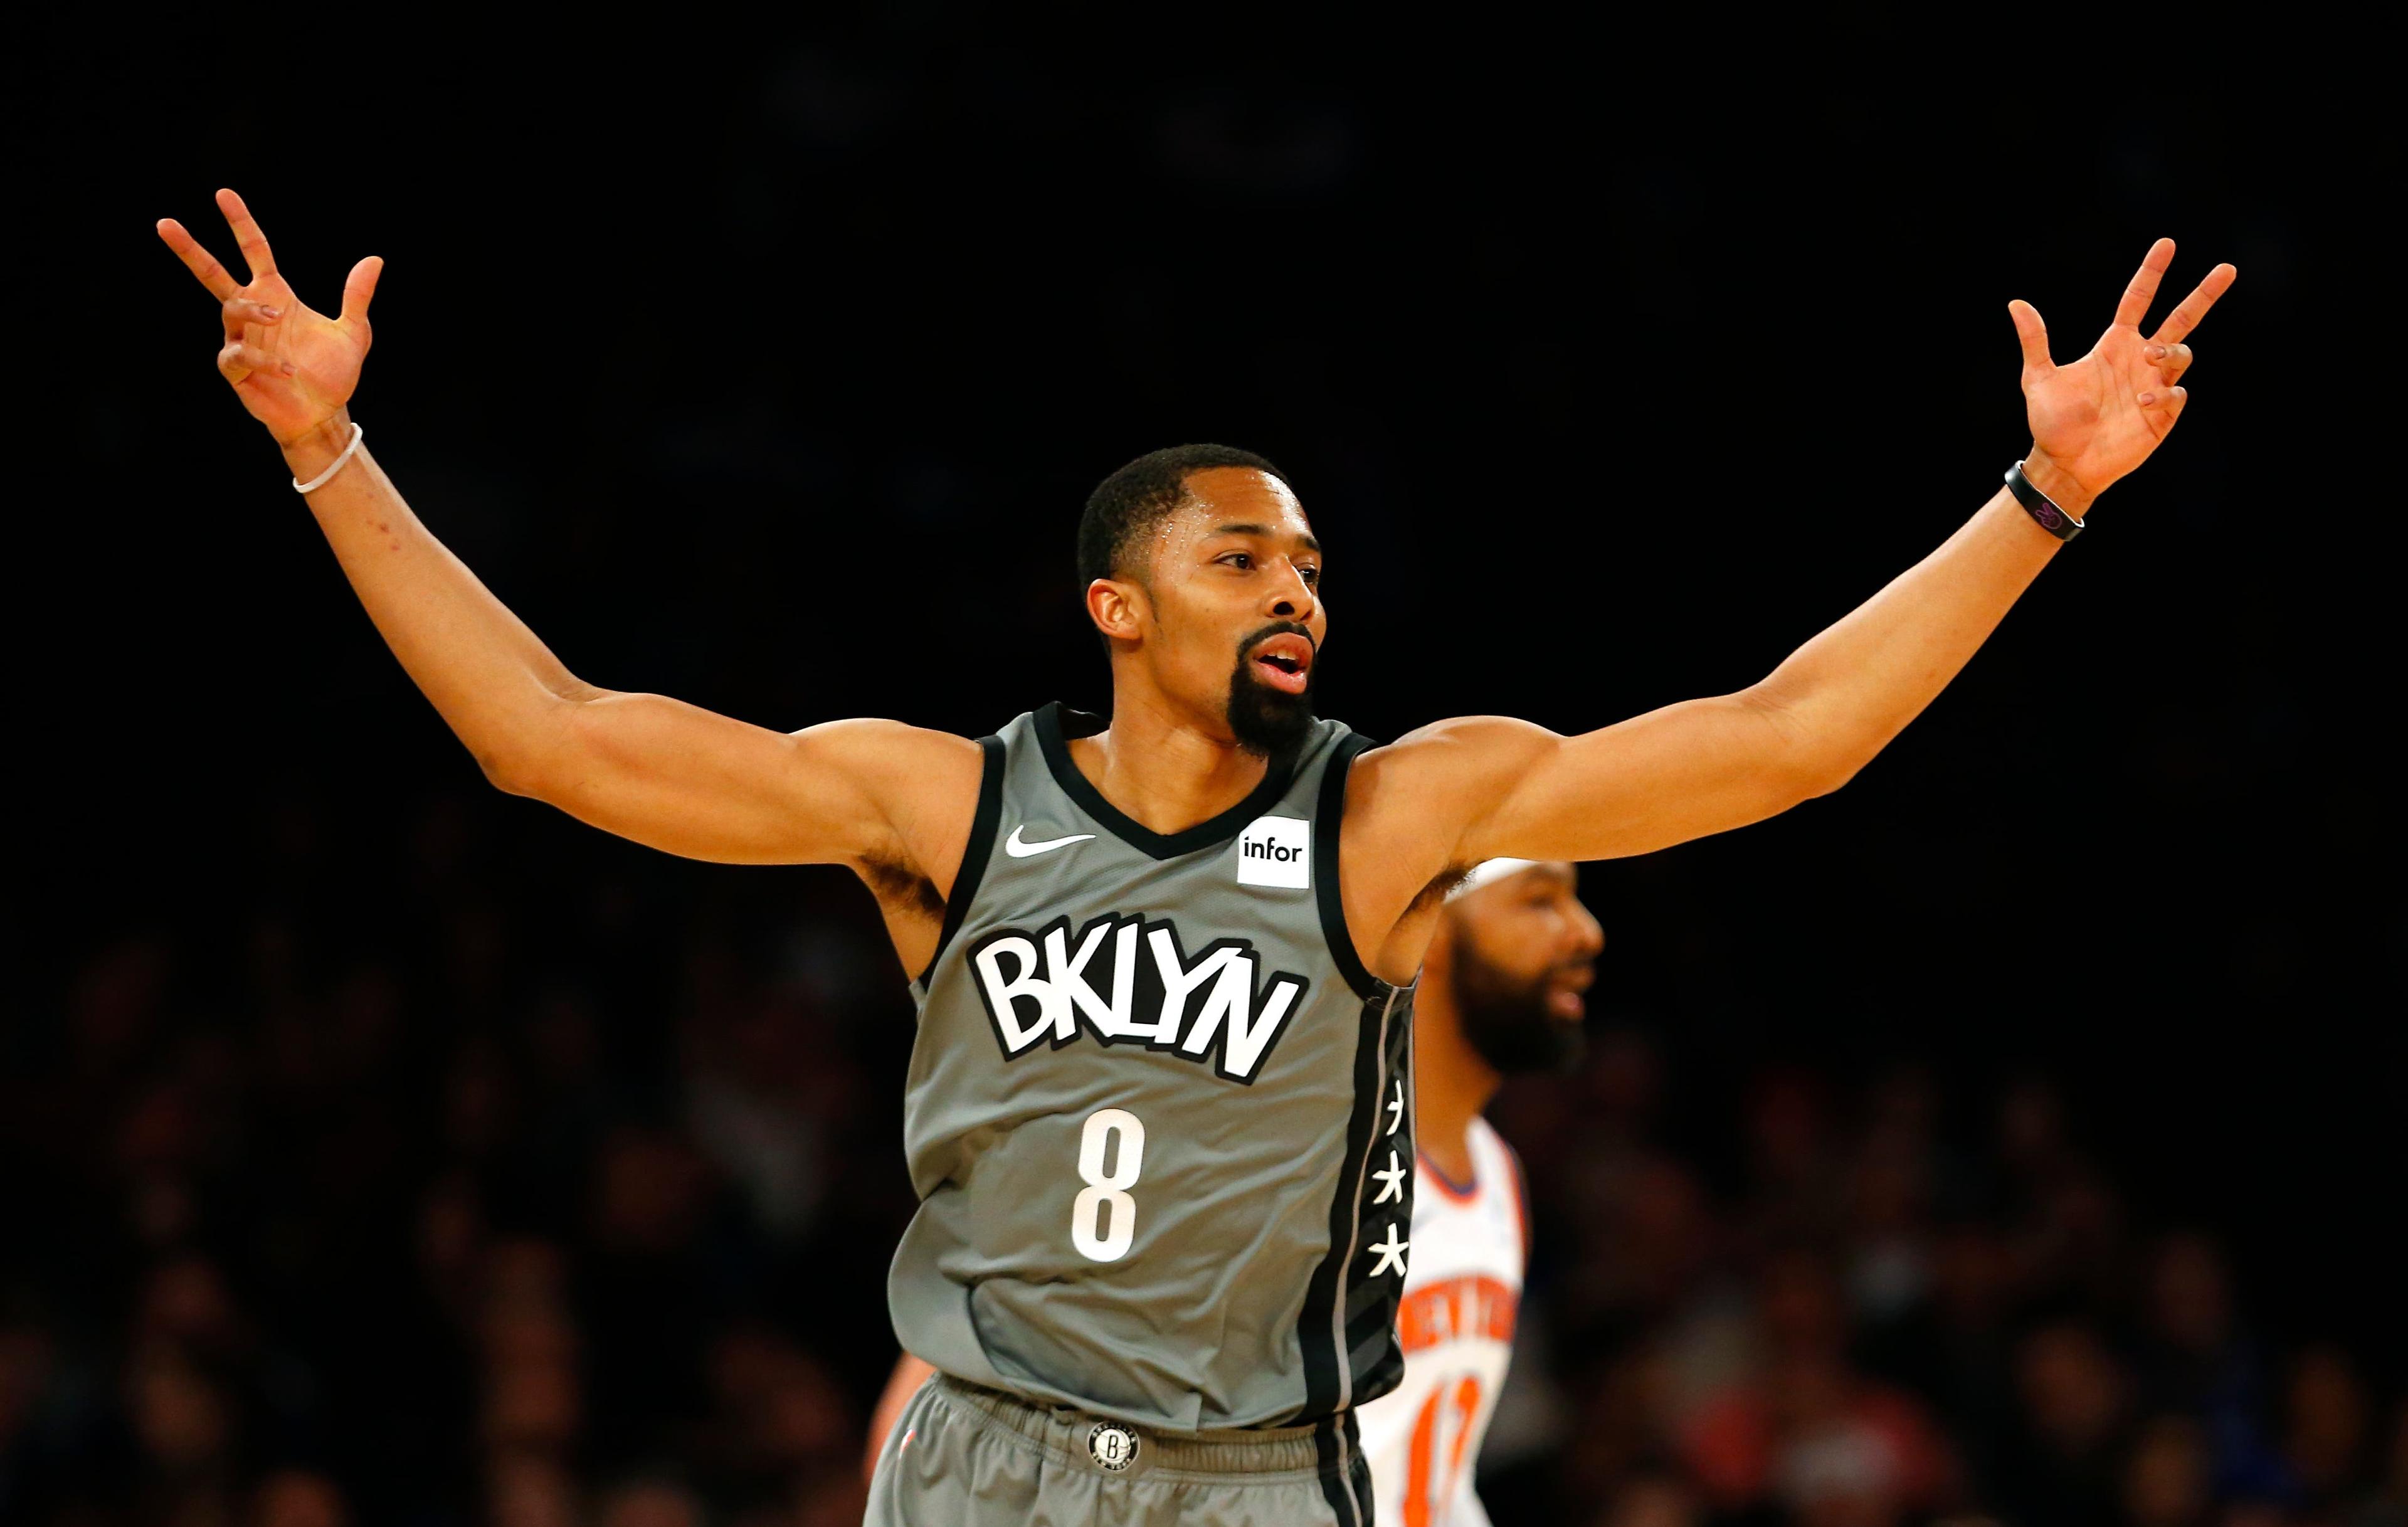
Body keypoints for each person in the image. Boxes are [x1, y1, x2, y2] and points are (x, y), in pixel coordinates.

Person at [157, 188, 2234, 1527]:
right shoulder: (946, 807)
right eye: (1243, 554)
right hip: (975, 1455)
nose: (1296, 588)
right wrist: (326, 452)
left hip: (1257, 1475)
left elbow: (1789, 741)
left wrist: (2039, 498)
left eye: (1313, 561)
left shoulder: (1391, 809)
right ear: (1117, 604)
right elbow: (553, 741)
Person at [860, 857, 1600, 1527]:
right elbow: (934, 1413)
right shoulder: (1255, 1151)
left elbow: (1436, 1475)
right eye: (1539, 900)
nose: (1585, 931)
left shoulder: (1497, 1173)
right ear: (1428, 925)